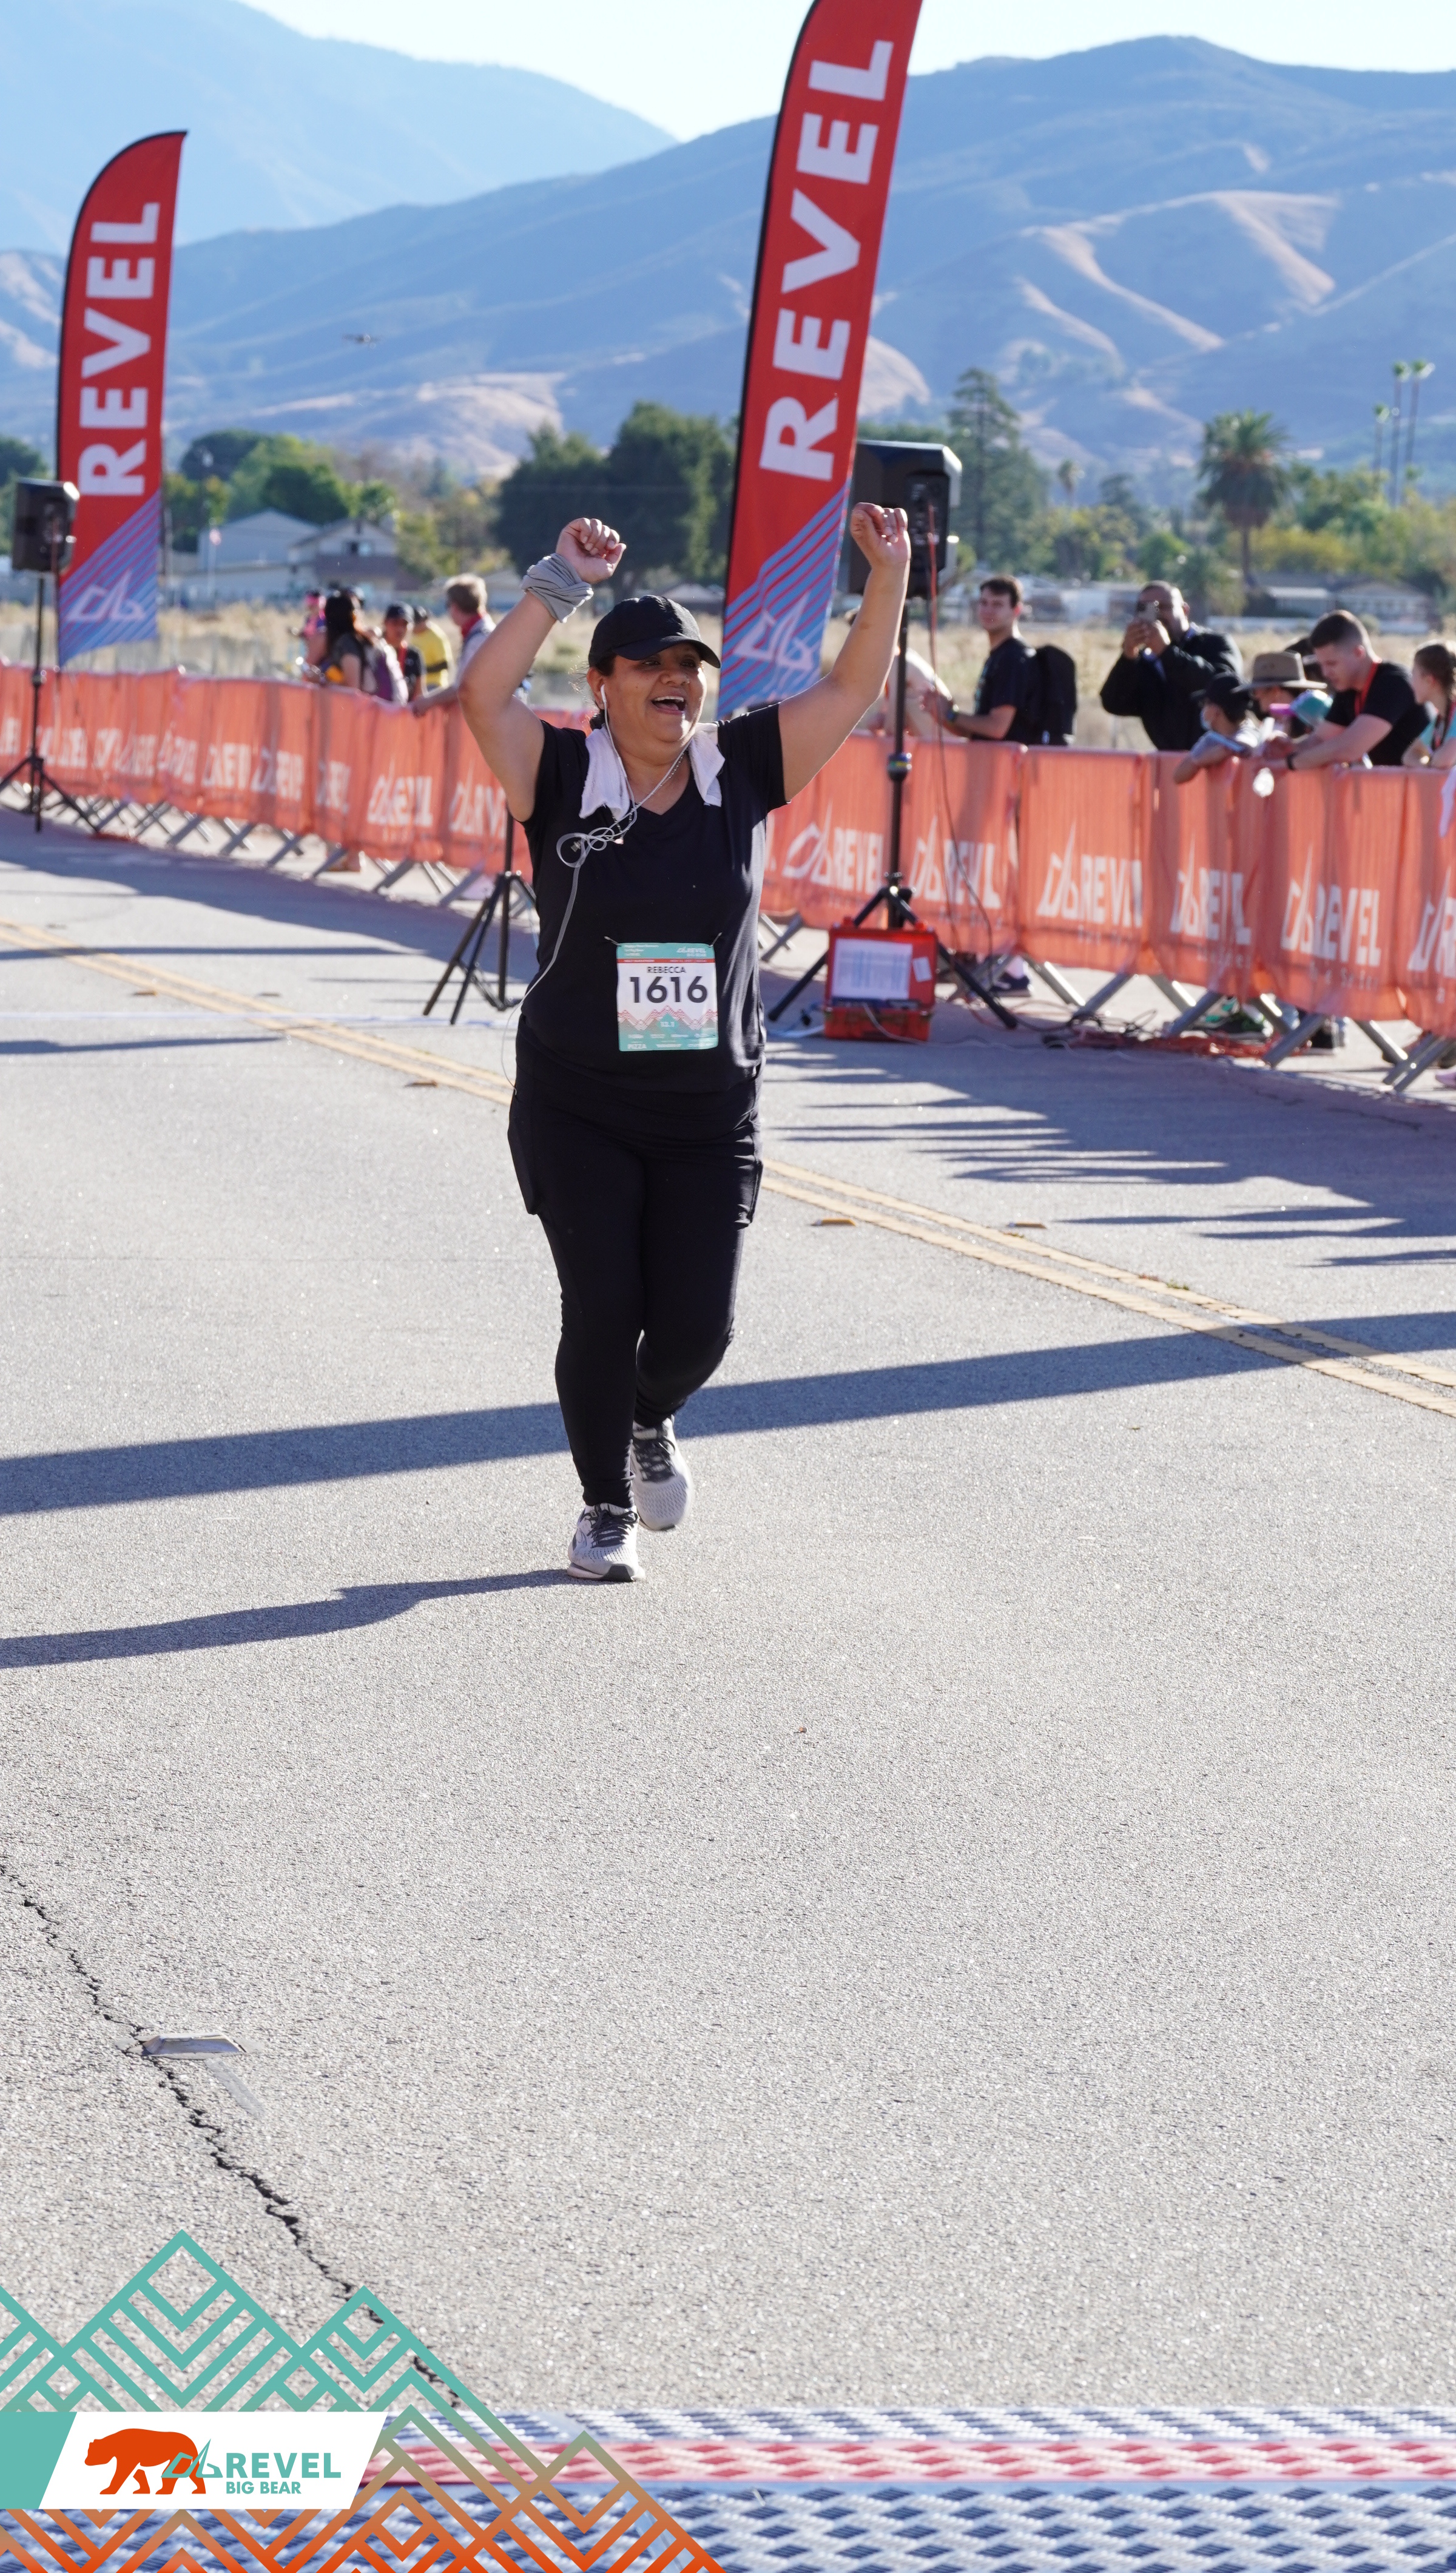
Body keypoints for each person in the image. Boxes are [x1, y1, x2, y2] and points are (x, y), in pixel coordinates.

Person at [459, 505, 912, 1583]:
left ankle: (645, 1415)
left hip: (709, 1111)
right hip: (578, 1100)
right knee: (603, 1306)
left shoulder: (739, 766)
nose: (677, 680)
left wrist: (888, 574)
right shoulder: (557, 775)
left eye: (690, 667)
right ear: (602, 684)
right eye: (652, 665)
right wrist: (558, 582)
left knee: (700, 1332)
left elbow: (852, 687)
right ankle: (603, 1508)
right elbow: (483, 694)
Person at [1270, 610, 1423, 771]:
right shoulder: (1348, 689)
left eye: (1332, 664)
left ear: (1359, 653)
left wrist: (1290, 763)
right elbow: (1320, 740)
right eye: (1321, 665)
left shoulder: (1393, 682)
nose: (1325, 673)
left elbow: (1349, 748)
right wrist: (1287, 748)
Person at [1099, 581, 1240, 751]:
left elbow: (1225, 690)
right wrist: (1128, 656)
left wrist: (1167, 653)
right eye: (1146, 608)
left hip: (1218, 754)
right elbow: (1114, 703)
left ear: (1184, 610)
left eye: (1164, 607)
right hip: (1169, 760)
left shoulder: (1214, 643)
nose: (1157, 616)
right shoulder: (1145, 662)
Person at [920, 574, 1042, 743]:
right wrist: (941, 713)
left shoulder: (1013, 658)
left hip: (1006, 759)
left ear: (1016, 610)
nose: (988, 611)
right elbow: (977, 732)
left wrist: (950, 714)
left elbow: (997, 728)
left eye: (997, 605)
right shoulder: (999, 656)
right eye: (984, 603)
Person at [410, 575, 492, 715]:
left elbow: (463, 688)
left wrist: (428, 701)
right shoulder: (483, 632)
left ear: (454, 606)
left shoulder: (479, 638)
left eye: (447, 605)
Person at [1172, 673, 1264, 783]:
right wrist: (1199, 761)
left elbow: (1248, 746)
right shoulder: (1212, 739)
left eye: (1205, 703)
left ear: (1216, 710)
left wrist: (1226, 751)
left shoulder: (1248, 730)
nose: (1203, 709)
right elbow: (1178, 776)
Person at [1249, 649, 1329, 744]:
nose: (1255, 697)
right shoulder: (1271, 725)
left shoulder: (1313, 719)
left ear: (1275, 691)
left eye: (1255, 691)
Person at [1405, 641, 1456, 769]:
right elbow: (1410, 756)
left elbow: (1444, 760)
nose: (1411, 683)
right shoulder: (1440, 720)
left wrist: (1430, 767)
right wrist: (1429, 768)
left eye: (1413, 675)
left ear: (1429, 681)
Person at [383, 602, 424, 702]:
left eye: (405, 624)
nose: (400, 629)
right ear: (385, 623)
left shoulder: (414, 655)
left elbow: (420, 694)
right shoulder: (375, 651)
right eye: (395, 623)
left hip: (405, 709)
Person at [411, 604, 452, 694]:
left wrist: (421, 670)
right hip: (417, 683)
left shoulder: (436, 637)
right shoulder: (413, 635)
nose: (414, 627)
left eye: (417, 623)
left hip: (434, 684)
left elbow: (445, 665)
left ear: (424, 621)